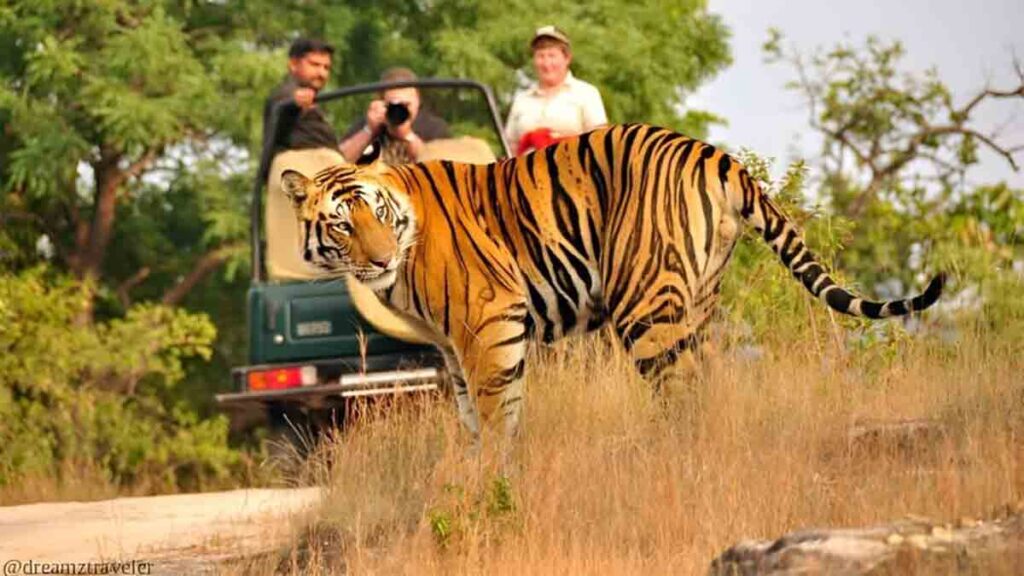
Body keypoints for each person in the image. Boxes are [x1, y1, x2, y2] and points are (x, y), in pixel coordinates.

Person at [262, 38, 348, 280]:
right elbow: (282, 104)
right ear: (293, 65)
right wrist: (296, 100)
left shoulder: (315, 110)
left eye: (326, 67)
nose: (321, 72)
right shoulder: (286, 97)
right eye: (314, 64)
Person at [505, 26, 608, 155]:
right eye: (540, 56)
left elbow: (599, 145)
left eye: (552, 56)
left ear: (567, 59)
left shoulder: (587, 94)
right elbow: (510, 147)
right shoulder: (521, 99)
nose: (546, 63)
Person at [339, 67, 451, 165]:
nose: (400, 111)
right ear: (381, 102)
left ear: (418, 100)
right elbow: (338, 161)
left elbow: (442, 168)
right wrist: (368, 130)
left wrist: (408, 136)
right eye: (393, 105)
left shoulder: (434, 128)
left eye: (406, 105)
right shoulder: (369, 125)